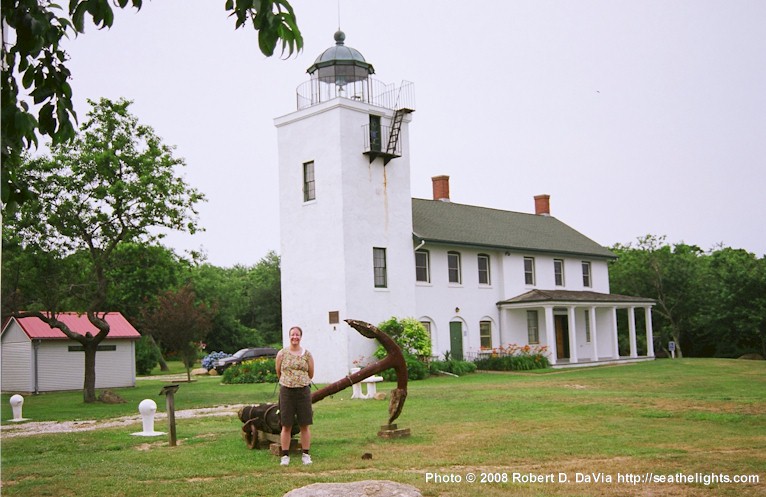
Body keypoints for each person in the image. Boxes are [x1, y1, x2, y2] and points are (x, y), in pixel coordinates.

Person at [275, 326, 315, 466]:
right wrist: (288, 381)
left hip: (303, 392)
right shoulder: (282, 353)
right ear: (289, 336)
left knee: (304, 424)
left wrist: (300, 381)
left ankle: (306, 454)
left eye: (297, 335)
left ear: (301, 337)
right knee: (286, 425)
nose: (295, 337)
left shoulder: (307, 354)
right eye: (292, 335)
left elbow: (311, 373)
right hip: (286, 391)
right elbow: (278, 372)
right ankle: (285, 455)